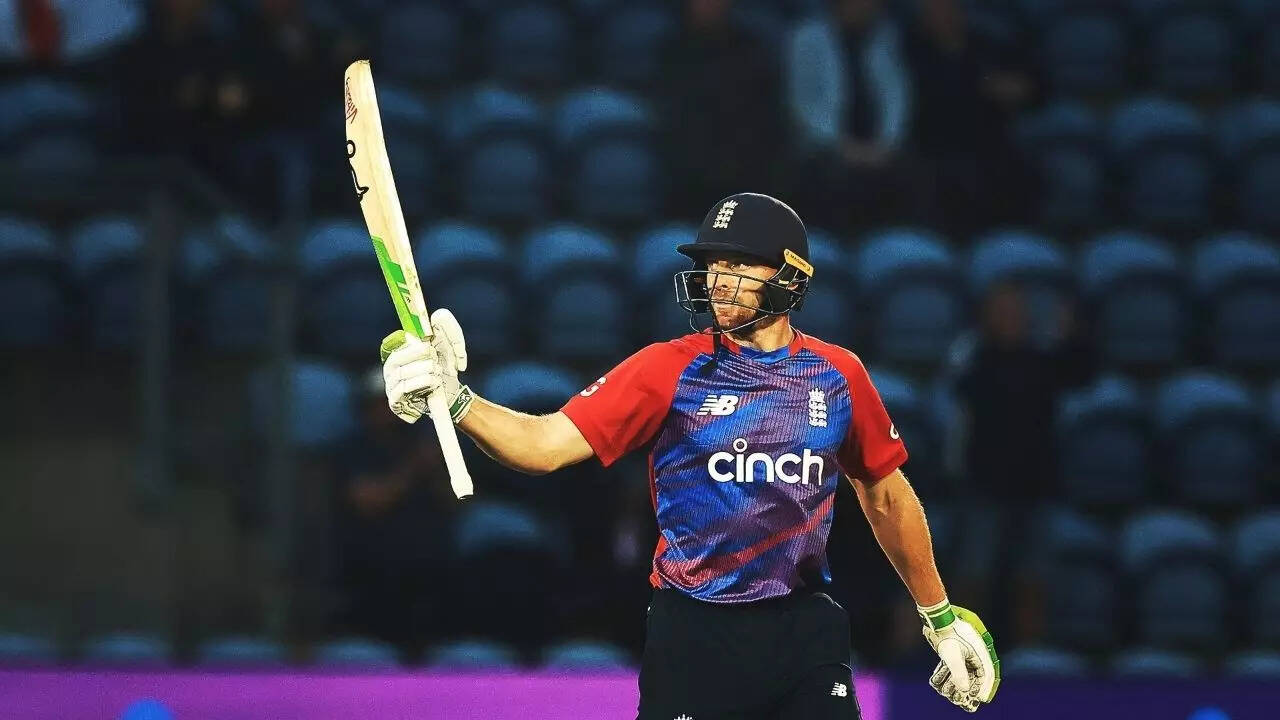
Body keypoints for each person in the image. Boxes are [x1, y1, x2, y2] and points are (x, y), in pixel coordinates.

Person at [381, 193, 999, 718]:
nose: (719, 280)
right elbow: (543, 446)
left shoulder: (838, 375)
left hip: (805, 629)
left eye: (739, 265)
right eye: (713, 266)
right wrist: (458, 400)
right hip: (695, 631)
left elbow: (885, 495)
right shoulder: (667, 369)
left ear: (790, 275)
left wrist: (939, 616)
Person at [785, 0, 927, 234]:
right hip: (826, 147)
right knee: (832, 177)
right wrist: (843, 147)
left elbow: (897, 96)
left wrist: (885, 144)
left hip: (880, 150)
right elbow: (804, 106)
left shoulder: (885, 38)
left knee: (911, 172)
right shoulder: (808, 38)